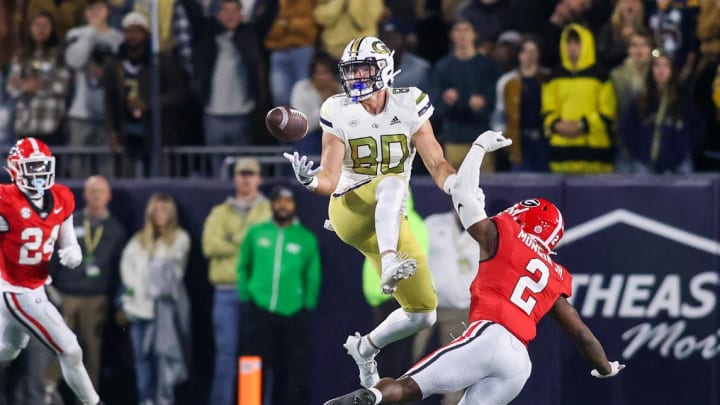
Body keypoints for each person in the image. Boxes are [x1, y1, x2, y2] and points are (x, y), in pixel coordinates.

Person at [323, 130, 625, 405]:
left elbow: (463, 194)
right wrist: (605, 367)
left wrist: (479, 147)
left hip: (487, 335)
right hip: (519, 363)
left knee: (408, 387)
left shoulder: (506, 234)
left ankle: (370, 397)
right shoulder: (554, 273)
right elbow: (581, 334)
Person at [283, 36, 457, 388]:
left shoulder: (411, 104)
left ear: (385, 69)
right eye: (352, 70)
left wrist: (456, 185)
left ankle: (365, 347)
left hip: (390, 219)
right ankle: (390, 259)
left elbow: (436, 162)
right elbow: (330, 179)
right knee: (393, 182)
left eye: (364, 69)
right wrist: (309, 181)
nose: (357, 78)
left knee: (424, 313)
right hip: (350, 209)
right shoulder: (337, 109)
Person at [0, 137, 103, 405]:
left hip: (36, 287)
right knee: (70, 349)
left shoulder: (62, 197)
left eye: (40, 166)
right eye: (30, 167)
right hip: (15, 290)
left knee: (7, 352)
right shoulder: (6, 200)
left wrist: (74, 252)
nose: (37, 174)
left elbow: (69, 241)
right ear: (14, 170)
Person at [237, 185, 322, 405]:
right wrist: (247, 296)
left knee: (293, 369)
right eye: (278, 201)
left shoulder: (305, 238)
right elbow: (243, 266)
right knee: (253, 365)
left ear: (294, 205)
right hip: (259, 310)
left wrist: (307, 304)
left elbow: (313, 275)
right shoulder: (256, 233)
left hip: (292, 312)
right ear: (272, 204)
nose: (283, 206)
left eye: (287, 201)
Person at [202, 157, 271, 405]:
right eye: (241, 173)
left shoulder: (268, 210)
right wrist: (247, 243)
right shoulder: (220, 211)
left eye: (250, 173)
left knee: (261, 355)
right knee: (225, 355)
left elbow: (266, 248)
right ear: (234, 178)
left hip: (258, 293)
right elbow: (209, 245)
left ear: (258, 178)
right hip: (226, 290)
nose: (245, 178)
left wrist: (231, 240)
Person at [50, 175, 126, 391]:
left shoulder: (115, 229)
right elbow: (53, 255)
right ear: (84, 194)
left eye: (100, 191)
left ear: (108, 196)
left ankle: (87, 398)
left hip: (96, 297)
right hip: (66, 294)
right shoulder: (69, 222)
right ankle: (48, 394)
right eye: (92, 191)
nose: (96, 196)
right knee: (57, 347)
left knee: (92, 351)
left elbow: (119, 266)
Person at [120, 193, 191, 405]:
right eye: (156, 210)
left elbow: (170, 274)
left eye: (164, 210)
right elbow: (127, 272)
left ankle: (163, 400)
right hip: (138, 310)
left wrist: (150, 287)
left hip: (165, 310)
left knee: (164, 359)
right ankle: (146, 400)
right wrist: (135, 296)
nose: (160, 214)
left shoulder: (180, 238)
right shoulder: (137, 241)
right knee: (142, 361)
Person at [411, 208, 478, 405]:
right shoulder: (433, 222)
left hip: (461, 308)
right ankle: (397, 398)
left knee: (456, 364)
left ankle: (452, 402)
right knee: (409, 355)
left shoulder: (483, 229)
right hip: (427, 304)